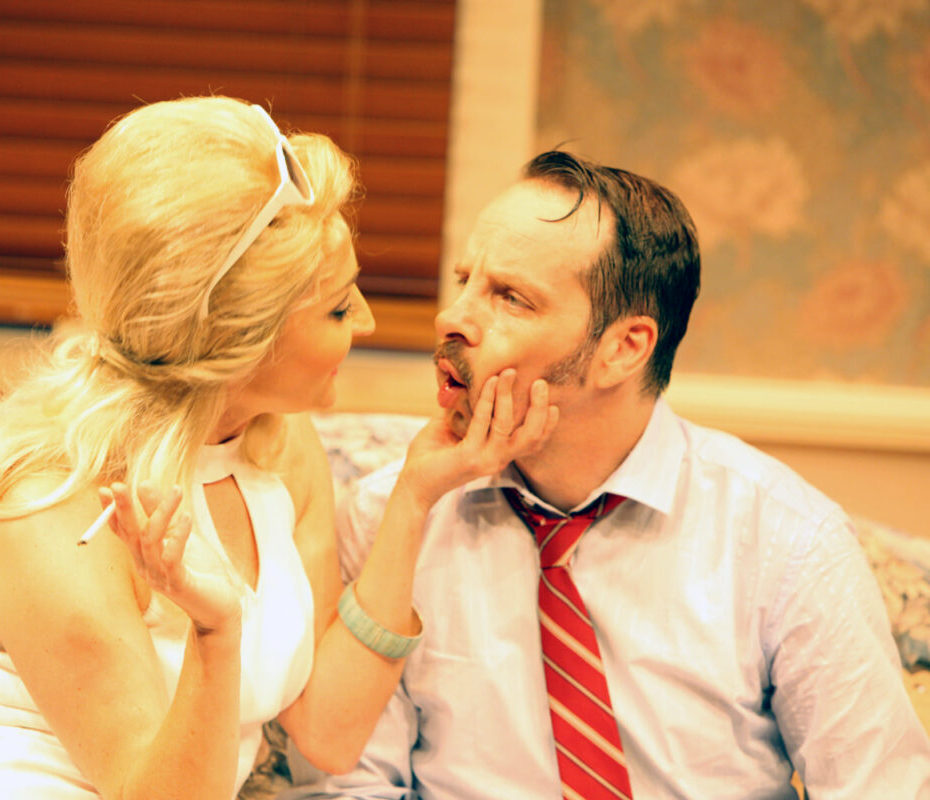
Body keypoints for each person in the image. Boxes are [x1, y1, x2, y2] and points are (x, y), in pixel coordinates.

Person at [0, 96, 554, 800]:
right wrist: (216, 632)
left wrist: (415, 494)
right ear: (240, 341)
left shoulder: (277, 445)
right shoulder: (53, 510)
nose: (369, 321)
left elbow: (328, 732)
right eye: (340, 308)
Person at [283, 151, 930, 799]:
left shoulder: (787, 542)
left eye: (510, 298)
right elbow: (346, 786)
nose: (452, 319)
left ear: (624, 348)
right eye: (464, 281)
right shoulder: (388, 518)